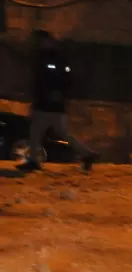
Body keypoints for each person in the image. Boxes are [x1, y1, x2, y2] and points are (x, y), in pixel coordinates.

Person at [20, 30, 97, 173]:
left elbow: (60, 80)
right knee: (54, 132)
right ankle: (87, 154)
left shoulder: (53, 58)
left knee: (37, 132)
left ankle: (34, 160)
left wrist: (55, 94)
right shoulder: (44, 57)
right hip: (49, 104)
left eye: (41, 41)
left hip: (49, 105)